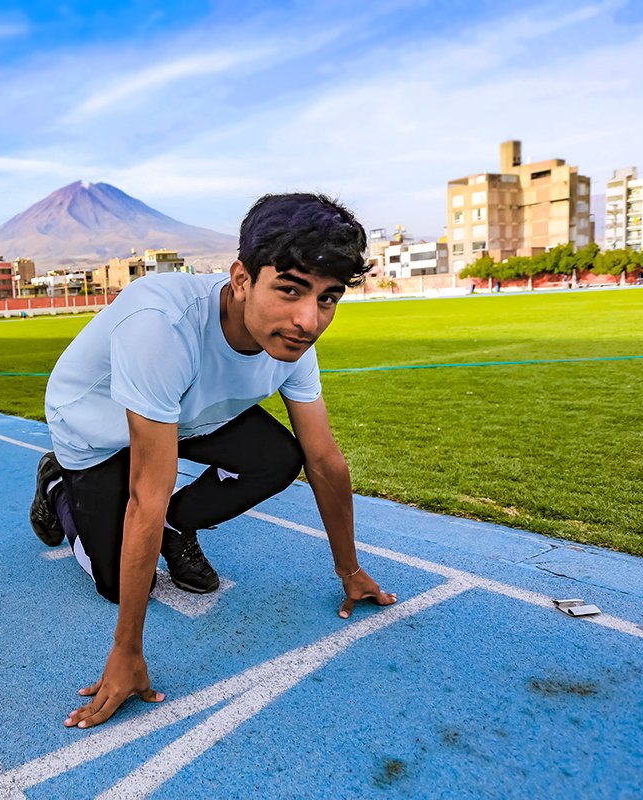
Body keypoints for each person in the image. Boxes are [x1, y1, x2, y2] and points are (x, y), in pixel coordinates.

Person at [28, 193, 397, 730]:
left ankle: (184, 526)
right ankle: (58, 485)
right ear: (242, 278)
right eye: (290, 290)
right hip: (98, 430)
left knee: (278, 459)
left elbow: (324, 460)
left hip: (188, 412)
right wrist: (127, 653)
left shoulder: (294, 339)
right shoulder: (162, 324)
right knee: (118, 583)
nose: (308, 320)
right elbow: (144, 496)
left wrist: (351, 571)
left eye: (328, 298)